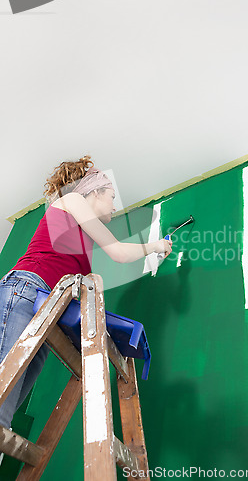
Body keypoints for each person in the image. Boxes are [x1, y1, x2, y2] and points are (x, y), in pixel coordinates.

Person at [0, 155, 172, 429]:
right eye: (112, 196)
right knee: (2, 403)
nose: (114, 206)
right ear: (93, 191)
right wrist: (156, 246)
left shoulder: (81, 237)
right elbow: (117, 252)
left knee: (8, 409)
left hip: (47, 308)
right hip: (27, 290)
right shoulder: (72, 201)